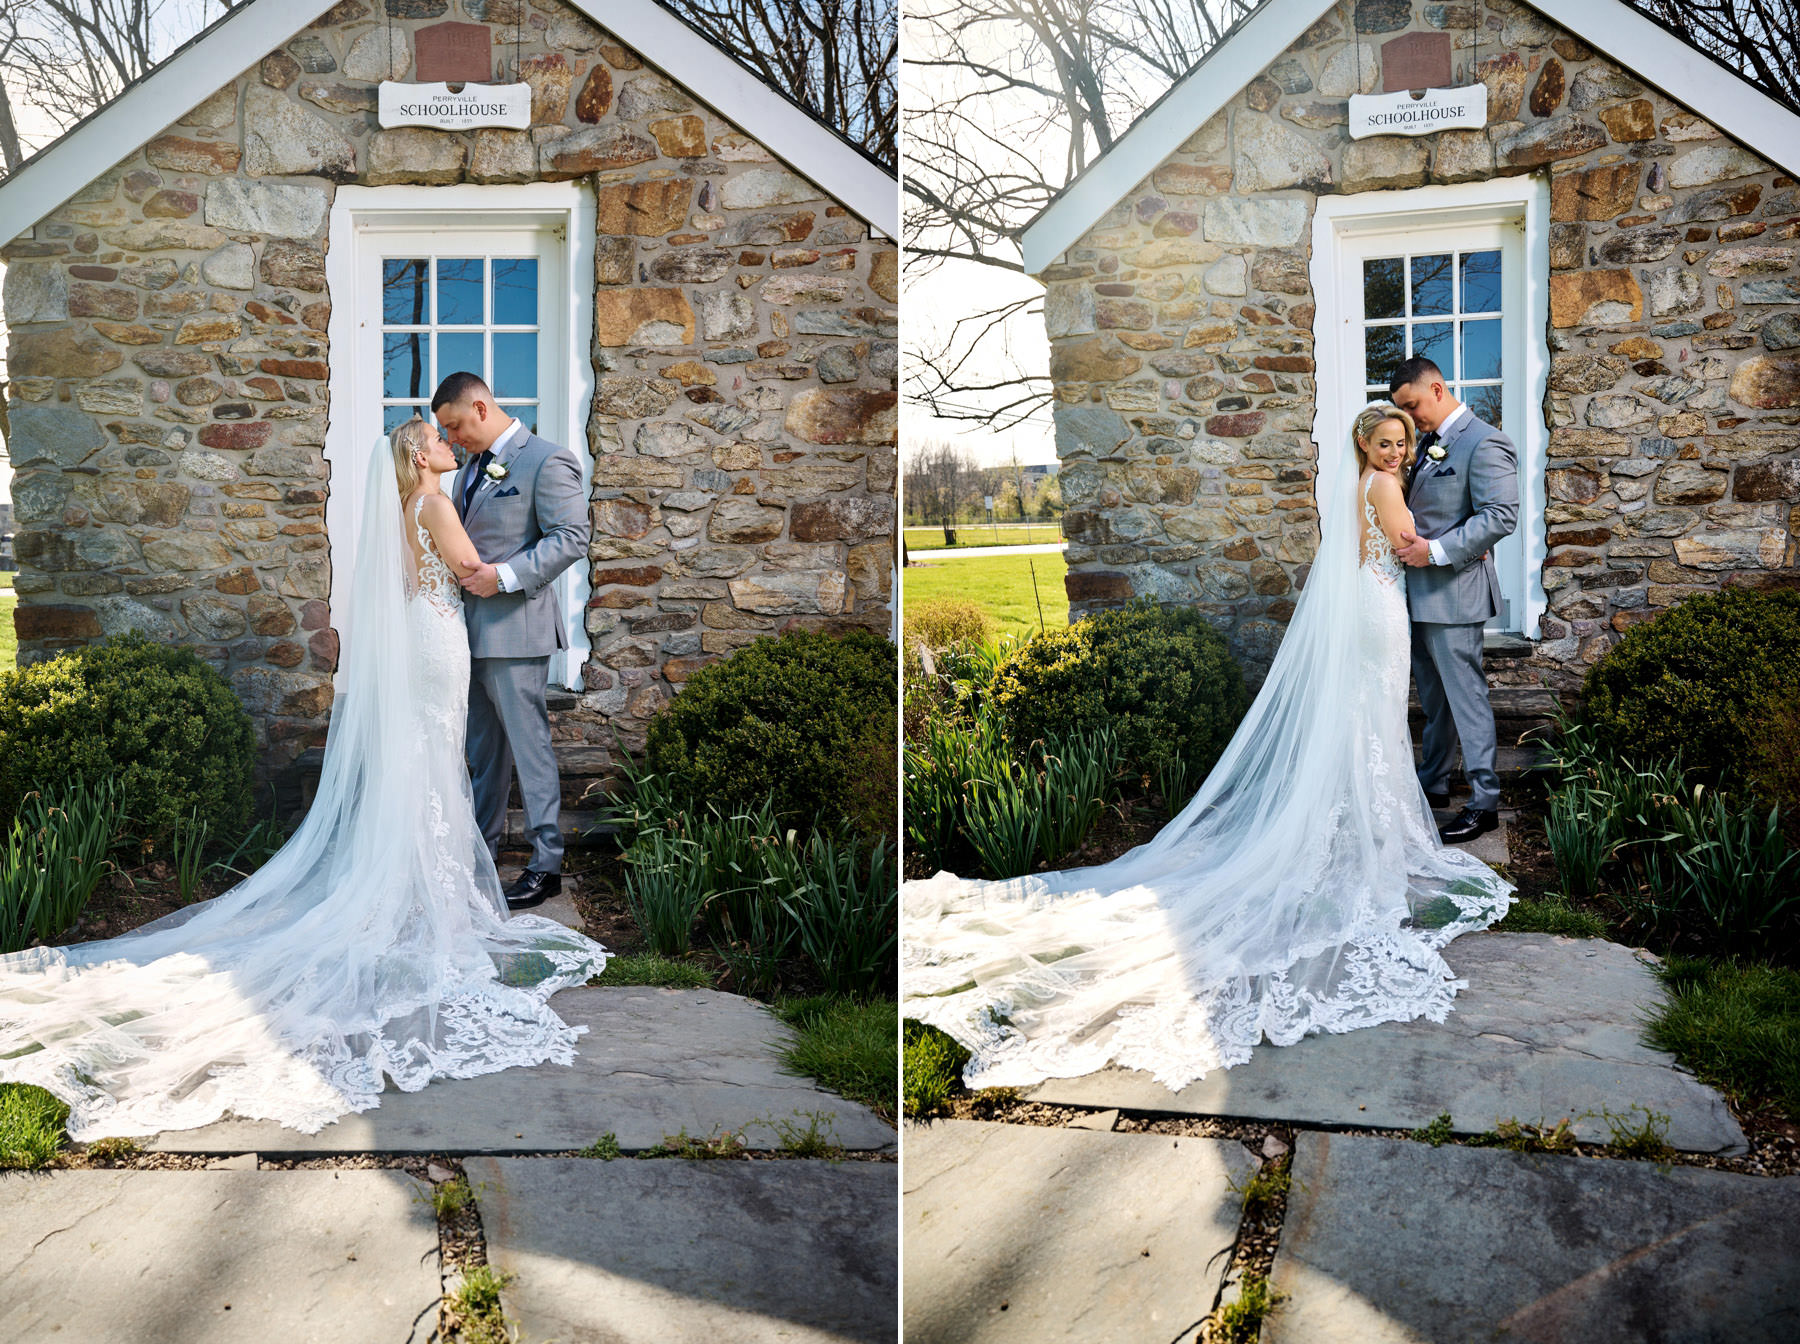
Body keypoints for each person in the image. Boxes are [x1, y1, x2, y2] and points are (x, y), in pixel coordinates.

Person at [0, 418, 608, 1141]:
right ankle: (428, 900)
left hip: (426, 631)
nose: (451, 444)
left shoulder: (406, 507)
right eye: (438, 440)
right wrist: (503, 568)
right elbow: (470, 568)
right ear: (421, 455)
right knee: (436, 757)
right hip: (442, 639)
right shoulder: (437, 504)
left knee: (428, 759)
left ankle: (421, 890)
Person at [902, 404, 1514, 1093]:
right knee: (1373, 723)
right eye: (1386, 443)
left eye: (1402, 442)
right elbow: (1409, 546)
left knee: (1369, 725)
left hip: (1374, 606)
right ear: (1365, 447)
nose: (1397, 451)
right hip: (1382, 612)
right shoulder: (1383, 487)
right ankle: (1372, 836)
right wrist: (1463, 539)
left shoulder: (1361, 486)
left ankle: (1365, 827)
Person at [434, 372, 589, 911]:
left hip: (517, 630)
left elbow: (572, 538)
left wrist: (503, 576)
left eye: (454, 426)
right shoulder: (469, 468)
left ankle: (546, 866)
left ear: (479, 407)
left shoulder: (547, 459)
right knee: (483, 753)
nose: (452, 440)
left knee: (530, 750)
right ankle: (482, 856)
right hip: (466, 634)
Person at [1387, 357, 1520, 844]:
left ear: (1438, 389)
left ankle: (1484, 802)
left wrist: (1436, 550)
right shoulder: (1427, 444)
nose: (1410, 418)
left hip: (1456, 593)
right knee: (1433, 699)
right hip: (1416, 596)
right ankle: (1435, 783)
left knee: (1466, 698)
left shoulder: (1485, 441)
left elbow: (1501, 516)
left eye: (1413, 406)